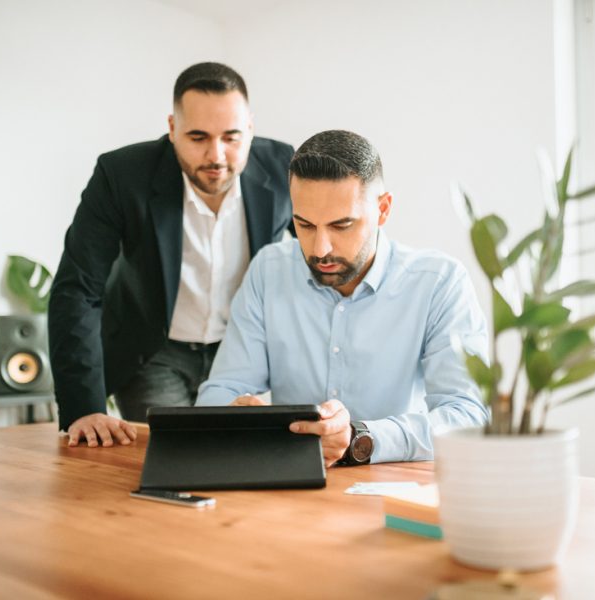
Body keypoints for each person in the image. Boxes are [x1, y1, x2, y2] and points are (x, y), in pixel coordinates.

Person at [197, 130, 489, 467]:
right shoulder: (268, 270)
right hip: (288, 488)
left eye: (342, 225)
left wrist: (361, 437)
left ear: (383, 209)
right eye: (304, 225)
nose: (320, 249)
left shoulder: (439, 283)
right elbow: (219, 392)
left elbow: (468, 416)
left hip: (393, 487)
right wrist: (233, 414)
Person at [49, 62, 294, 448]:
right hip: (153, 354)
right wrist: (83, 406)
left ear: (250, 128)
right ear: (172, 128)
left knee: (242, 456)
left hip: (240, 351)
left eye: (231, 137)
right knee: (172, 455)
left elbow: (321, 260)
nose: (216, 156)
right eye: (198, 137)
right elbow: (77, 289)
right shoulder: (121, 175)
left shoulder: (284, 168)